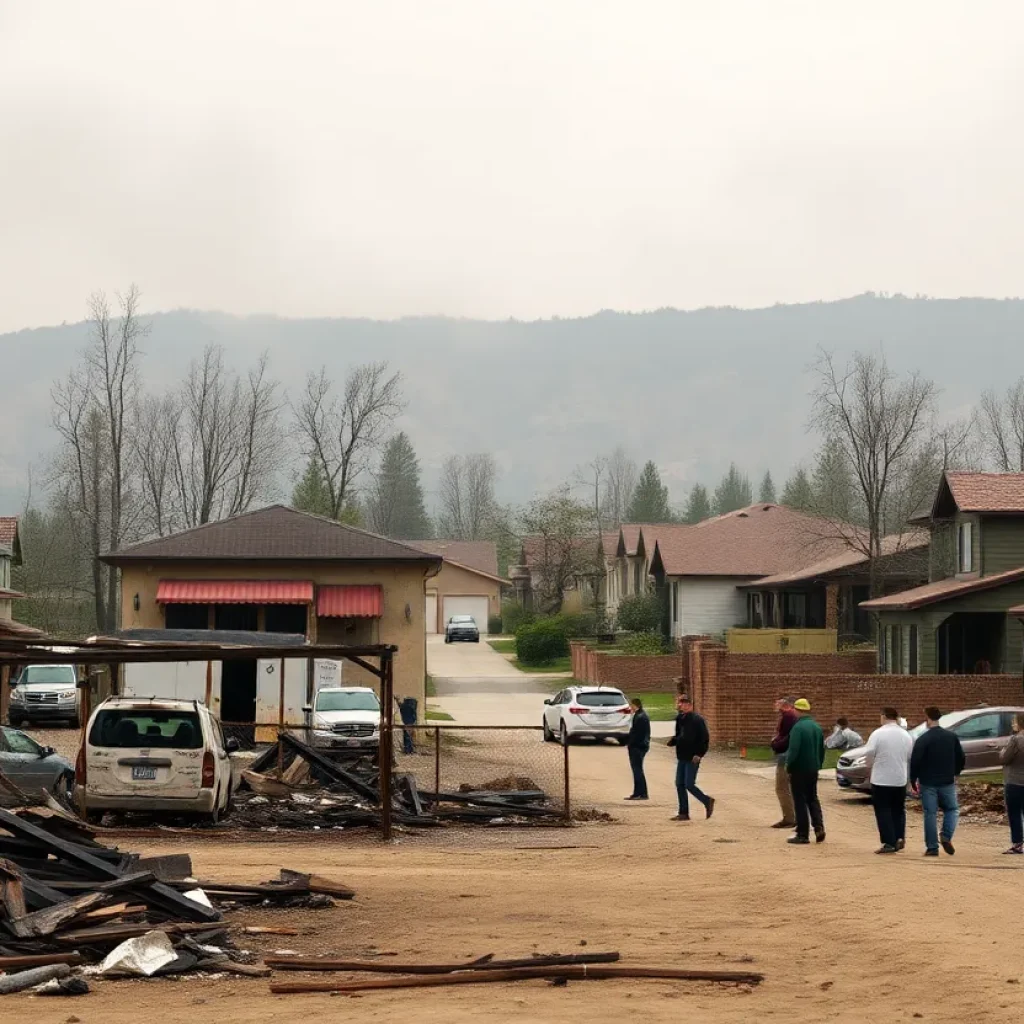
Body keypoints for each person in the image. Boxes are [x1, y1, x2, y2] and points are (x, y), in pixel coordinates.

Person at [909, 706, 965, 857]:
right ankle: (946, 835)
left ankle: (932, 847)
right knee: (952, 809)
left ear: (927, 719)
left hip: (928, 781)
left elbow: (915, 761)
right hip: (947, 780)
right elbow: (960, 757)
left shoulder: (923, 739)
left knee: (930, 813)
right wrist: (956, 772)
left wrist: (913, 779)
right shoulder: (951, 737)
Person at [864, 707, 914, 854]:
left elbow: (869, 753)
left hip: (881, 778)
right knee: (898, 809)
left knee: (883, 809)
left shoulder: (878, 734)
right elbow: (910, 755)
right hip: (899, 778)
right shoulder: (905, 735)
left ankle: (889, 841)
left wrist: (870, 766)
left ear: (884, 716)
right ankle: (899, 836)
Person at [667, 694, 715, 821]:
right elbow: (680, 735)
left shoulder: (697, 720)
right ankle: (683, 813)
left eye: (683, 703)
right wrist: (673, 741)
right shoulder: (680, 719)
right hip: (682, 756)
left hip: (693, 757)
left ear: (690, 705)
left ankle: (707, 800)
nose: (681, 705)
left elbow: (704, 738)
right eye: (680, 703)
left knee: (689, 784)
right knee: (679, 784)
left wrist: (699, 754)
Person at [785, 698, 826, 845]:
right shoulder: (816, 727)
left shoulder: (798, 728)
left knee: (800, 800)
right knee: (812, 797)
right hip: (813, 768)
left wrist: (788, 766)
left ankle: (802, 834)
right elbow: (822, 749)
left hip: (799, 768)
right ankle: (819, 827)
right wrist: (818, 764)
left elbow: (794, 750)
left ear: (797, 710)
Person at [769, 696, 798, 829]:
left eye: (777, 703)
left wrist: (776, 744)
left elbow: (787, 736)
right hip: (788, 755)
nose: (775, 705)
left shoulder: (788, 716)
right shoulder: (790, 716)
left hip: (785, 755)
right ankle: (793, 816)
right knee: (788, 788)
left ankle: (790, 818)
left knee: (782, 787)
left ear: (784, 704)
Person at [999, 712, 1024, 855]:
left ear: (1020, 723)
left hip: (1014, 781)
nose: (1013, 724)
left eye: (1014, 722)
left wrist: (1002, 751)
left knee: (1014, 813)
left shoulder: (1015, 740)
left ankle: (1018, 843)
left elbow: (1005, 758)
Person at [624, 698, 651, 801]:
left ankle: (641, 793)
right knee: (637, 770)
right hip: (639, 746)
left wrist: (631, 744)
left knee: (637, 770)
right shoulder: (639, 715)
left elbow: (637, 734)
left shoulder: (640, 717)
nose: (630, 707)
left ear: (635, 705)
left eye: (631, 705)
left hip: (638, 747)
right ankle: (638, 792)